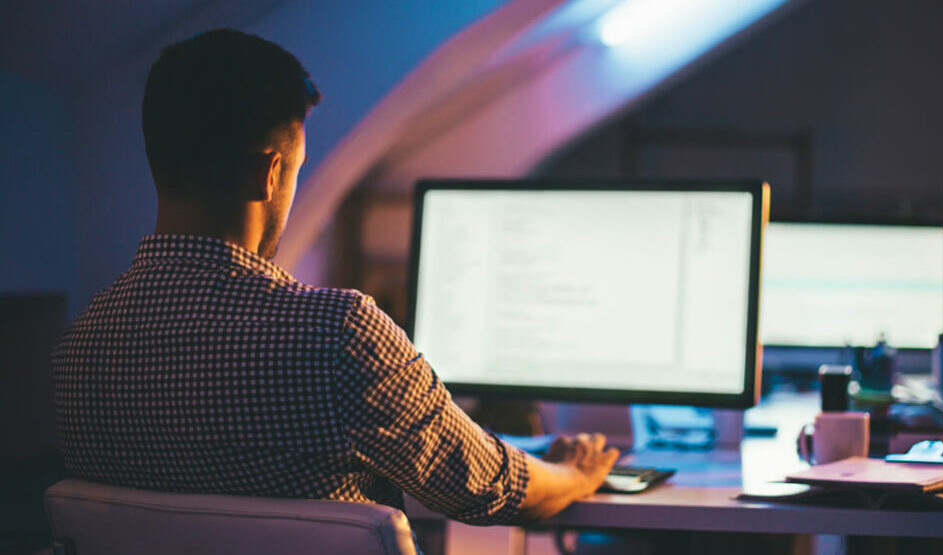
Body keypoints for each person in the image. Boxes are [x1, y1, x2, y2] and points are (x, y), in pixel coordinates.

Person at [51, 28, 618, 527]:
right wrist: (575, 471)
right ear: (269, 173)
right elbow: (492, 488)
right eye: (296, 169)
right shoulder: (337, 333)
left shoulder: (82, 344)